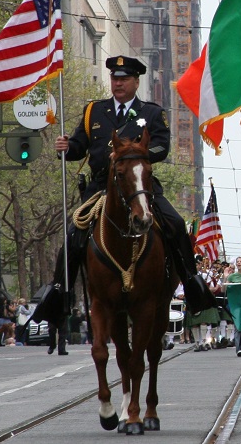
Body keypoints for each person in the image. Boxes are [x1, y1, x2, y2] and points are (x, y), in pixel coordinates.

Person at [44, 55, 214, 325]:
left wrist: (137, 155)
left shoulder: (152, 113)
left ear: (136, 82)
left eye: (124, 79)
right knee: (74, 232)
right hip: (101, 186)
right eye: (115, 78)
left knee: (176, 224)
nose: (118, 83)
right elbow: (79, 146)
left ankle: (193, 285)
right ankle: (58, 292)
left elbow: (161, 147)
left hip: (139, 186)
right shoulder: (94, 111)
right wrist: (66, 147)